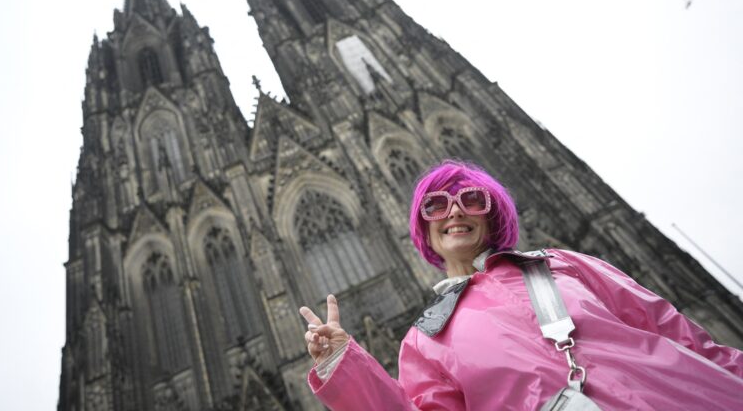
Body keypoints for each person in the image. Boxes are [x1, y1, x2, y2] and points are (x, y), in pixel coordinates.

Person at [299, 160, 743, 410]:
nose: (455, 212)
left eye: (471, 199)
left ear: (492, 215)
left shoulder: (564, 264)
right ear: (425, 231)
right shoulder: (425, 341)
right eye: (436, 206)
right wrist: (346, 365)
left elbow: (676, 332)